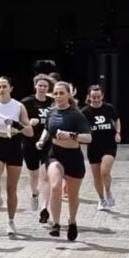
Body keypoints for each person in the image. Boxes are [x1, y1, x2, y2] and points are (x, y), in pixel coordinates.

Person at [38, 81, 92, 241]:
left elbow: (88, 138)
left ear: (69, 95)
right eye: (55, 93)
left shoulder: (77, 115)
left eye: (61, 93)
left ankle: (72, 221)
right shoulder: (51, 113)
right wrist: (41, 141)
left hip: (74, 156)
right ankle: (56, 223)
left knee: (73, 195)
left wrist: (72, 135)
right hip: (55, 154)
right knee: (55, 186)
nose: (58, 96)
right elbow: (47, 129)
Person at [0, 77, 33, 236]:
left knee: (11, 188)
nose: (2, 89)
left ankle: (11, 222)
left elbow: (29, 131)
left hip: (14, 144)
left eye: (4, 86)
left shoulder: (18, 106)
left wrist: (16, 124)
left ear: (11, 88)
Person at [81, 85, 121, 210]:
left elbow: (116, 119)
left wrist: (117, 132)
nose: (96, 99)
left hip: (109, 145)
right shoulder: (85, 112)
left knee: (104, 172)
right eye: (93, 97)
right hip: (93, 147)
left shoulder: (109, 108)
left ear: (102, 96)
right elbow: (79, 126)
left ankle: (108, 192)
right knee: (96, 176)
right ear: (89, 97)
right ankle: (101, 199)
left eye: (98, 97)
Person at [21, 74, 54, 223]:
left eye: (45, 86)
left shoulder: (52, 102)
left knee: (45, 175)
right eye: (40, 85)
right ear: (35, 86)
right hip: (30, 142)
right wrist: (28, 122)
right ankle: (34, 194)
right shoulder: (27, 102)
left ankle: (44, 209)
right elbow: (18, 120)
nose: (42, 88)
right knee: (33, 175)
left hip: (48, 143)